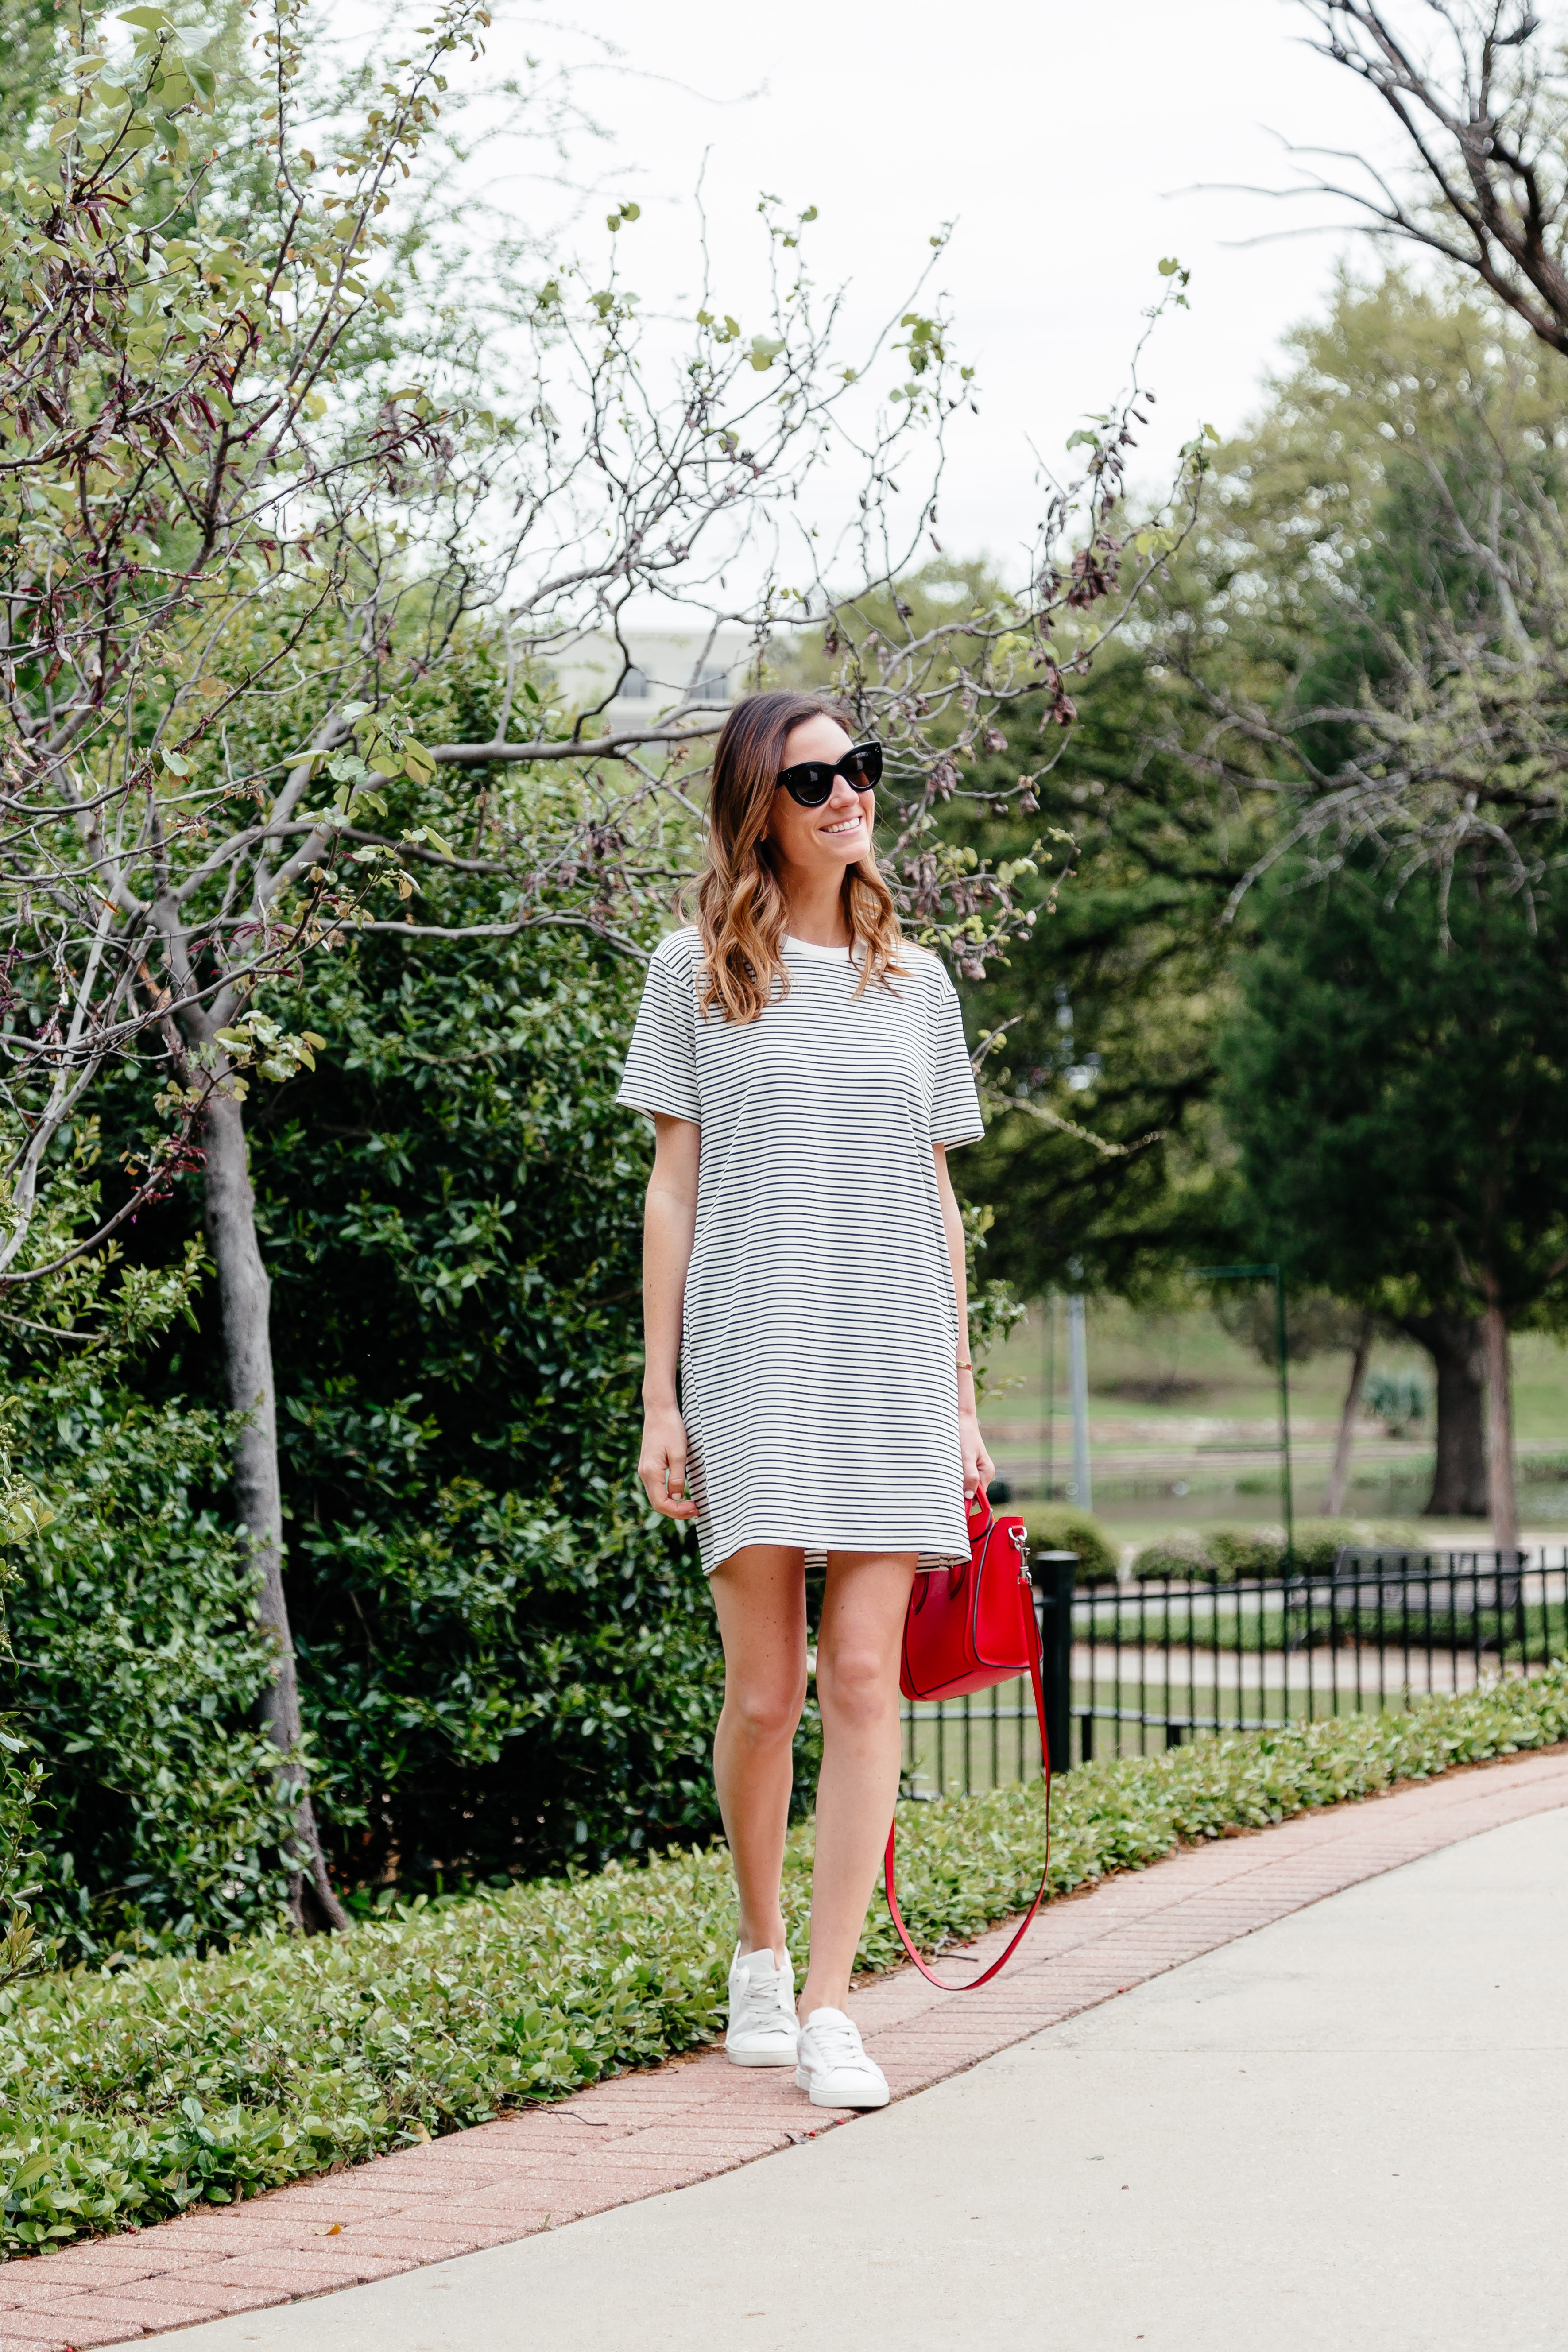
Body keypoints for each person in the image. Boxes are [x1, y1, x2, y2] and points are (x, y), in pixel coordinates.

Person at [617, 689, 994, 2111]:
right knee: (767, 1691)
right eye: (816, 778)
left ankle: (835, 2007)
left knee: (863, 1681)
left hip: (892, 1361)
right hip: (754, 1357)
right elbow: (673, 1185)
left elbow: (941, 1203)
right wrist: (661, 1397)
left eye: (863, 769)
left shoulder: (924, 983)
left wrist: (960, 1394)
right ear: (761, 808)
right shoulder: (693, 973)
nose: (850, 795)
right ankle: (761, 1956)